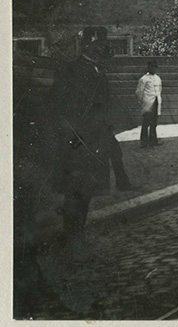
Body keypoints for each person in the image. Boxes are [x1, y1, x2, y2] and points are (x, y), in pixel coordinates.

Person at [47, 33, 115, 235]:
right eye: (98, 46)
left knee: (87, 189)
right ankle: (72, 235)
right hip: (76, 139)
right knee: (75, 188)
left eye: (103, 47)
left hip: (95, 139)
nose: (102, 51)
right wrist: (70, 134)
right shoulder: (70, 69)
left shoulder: (98, 70)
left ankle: (78, 233)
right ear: (87, 47)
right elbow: (56, 104)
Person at [136, 59, 163, 148]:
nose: (154, 69)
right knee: (146, 123)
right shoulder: (143, 79)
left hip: (156, 102)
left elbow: (159, 90)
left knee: (154, 123)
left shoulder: (158, 78)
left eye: (155, 67)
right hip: (148, 103)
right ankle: (144, 142)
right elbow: (139, 92)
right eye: (152, 67)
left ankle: (153, 141)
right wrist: (143, 102)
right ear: (148, 67)